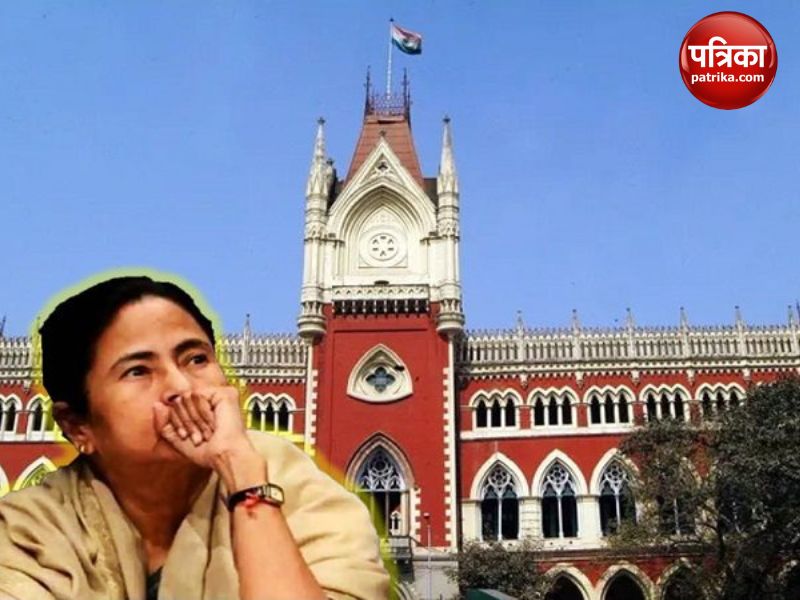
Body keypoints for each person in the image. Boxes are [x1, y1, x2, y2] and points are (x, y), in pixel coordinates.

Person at [0, 276, 390, 600]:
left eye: (196, 359)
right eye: (138, 371)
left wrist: (245, 479)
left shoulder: (298, 490)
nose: (182, 387)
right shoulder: (27, 534)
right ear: (77, 426)